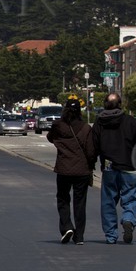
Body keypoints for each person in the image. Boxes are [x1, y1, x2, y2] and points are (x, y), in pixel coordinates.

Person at [93, 92, 136, 243]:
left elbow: (93, 146)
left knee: (108, 202)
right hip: (129, 167)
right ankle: (128, 219)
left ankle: (111, 236)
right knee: (129, 199)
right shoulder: (131, 122)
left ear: (105, 104)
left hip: (109, 168)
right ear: (120, 104)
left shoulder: (99, 123)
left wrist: (90, 164)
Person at [45, 96, 97, 244]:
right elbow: (91, 150)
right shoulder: (86, 128)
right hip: (82, 170)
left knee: (63, 199)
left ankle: (67, 226)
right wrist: (91, 164)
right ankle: (79, 236)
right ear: (79, 111)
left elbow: (50, 138)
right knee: (80, 203)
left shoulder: (58, 125)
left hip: (63, 168)